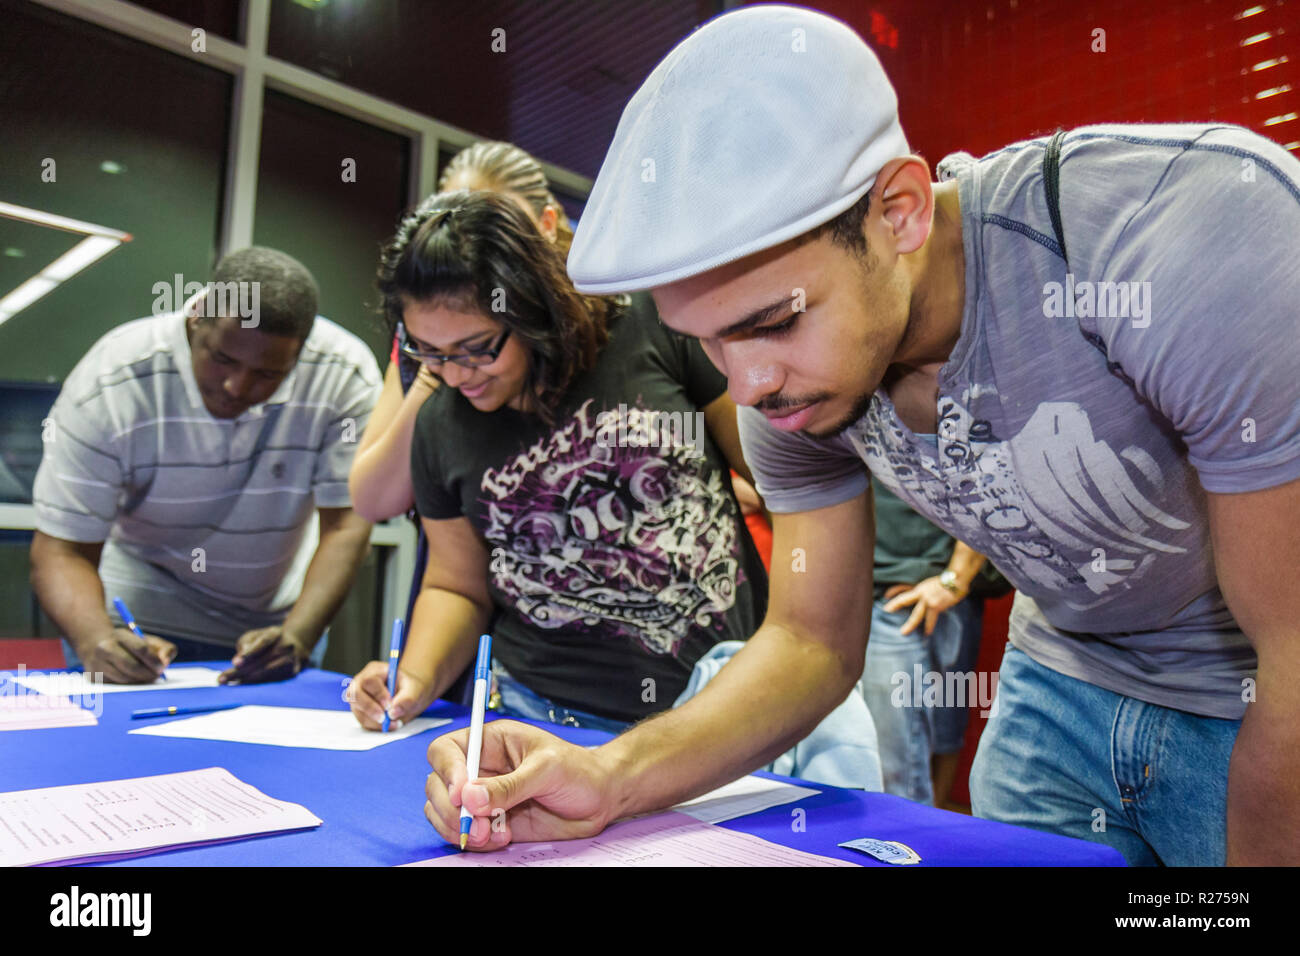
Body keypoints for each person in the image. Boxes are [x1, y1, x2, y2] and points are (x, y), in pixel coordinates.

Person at [421, 5, 1300, 865]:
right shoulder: (790, 387)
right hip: (1061, 679)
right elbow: (809, 639)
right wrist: (608, 777)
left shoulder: (1177, 234)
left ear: (901, 212)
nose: (747, 385)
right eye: (708, 341)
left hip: (1252, 698)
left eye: (772, 322)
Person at [345, 189, 770, 735]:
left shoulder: (650, 325)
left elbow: (783, 477)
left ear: (527, 306)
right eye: (431, 353)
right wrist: (415, 679)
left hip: (722, 704)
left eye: (477, 348)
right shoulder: (439, 425)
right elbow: (455, 586)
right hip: (544, 719)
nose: (456, 375)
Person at [30, 247, 380, 684]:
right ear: (196, 317)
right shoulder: (114, 378)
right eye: (222, 360)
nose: (238, 386)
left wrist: (299, 635)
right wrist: (94, 639)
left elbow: (347, 527)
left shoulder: (344, 375)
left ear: (301, 355)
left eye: (268, 374)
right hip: (135, 616)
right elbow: (60, 550)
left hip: (270, 628)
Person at [348, 141, 571, 524]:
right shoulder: (428, 351)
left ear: (545, 226)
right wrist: (438, 360)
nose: (468, 244)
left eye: (497, 224)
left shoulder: (607, 319)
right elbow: (373, 500)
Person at [860, 478, 995, 807]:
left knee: (911, 761)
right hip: (876, 594)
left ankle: (917, 845)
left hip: (920, 596)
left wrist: (953, 579)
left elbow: (990, 484)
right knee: (900, 759)